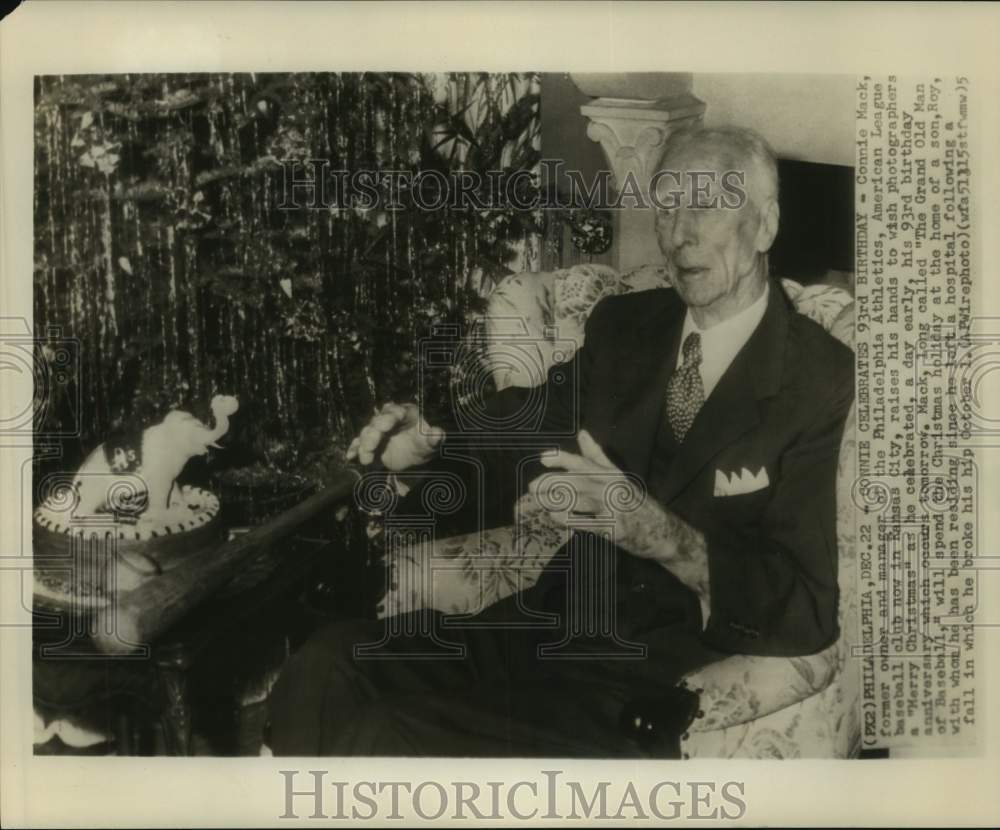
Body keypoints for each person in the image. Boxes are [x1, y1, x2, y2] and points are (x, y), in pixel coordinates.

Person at [268, 125, 855, 757]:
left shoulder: (818, 379)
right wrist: (431, 446)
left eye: (707, 204)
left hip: (641, 680)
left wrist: (662, 535)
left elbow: (805, 606)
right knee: (327, 665)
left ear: (765, 225)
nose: (678, 231)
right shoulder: (628, 327)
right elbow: (522, 429)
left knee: (385, 737)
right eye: (665, 206)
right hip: (539, 630)